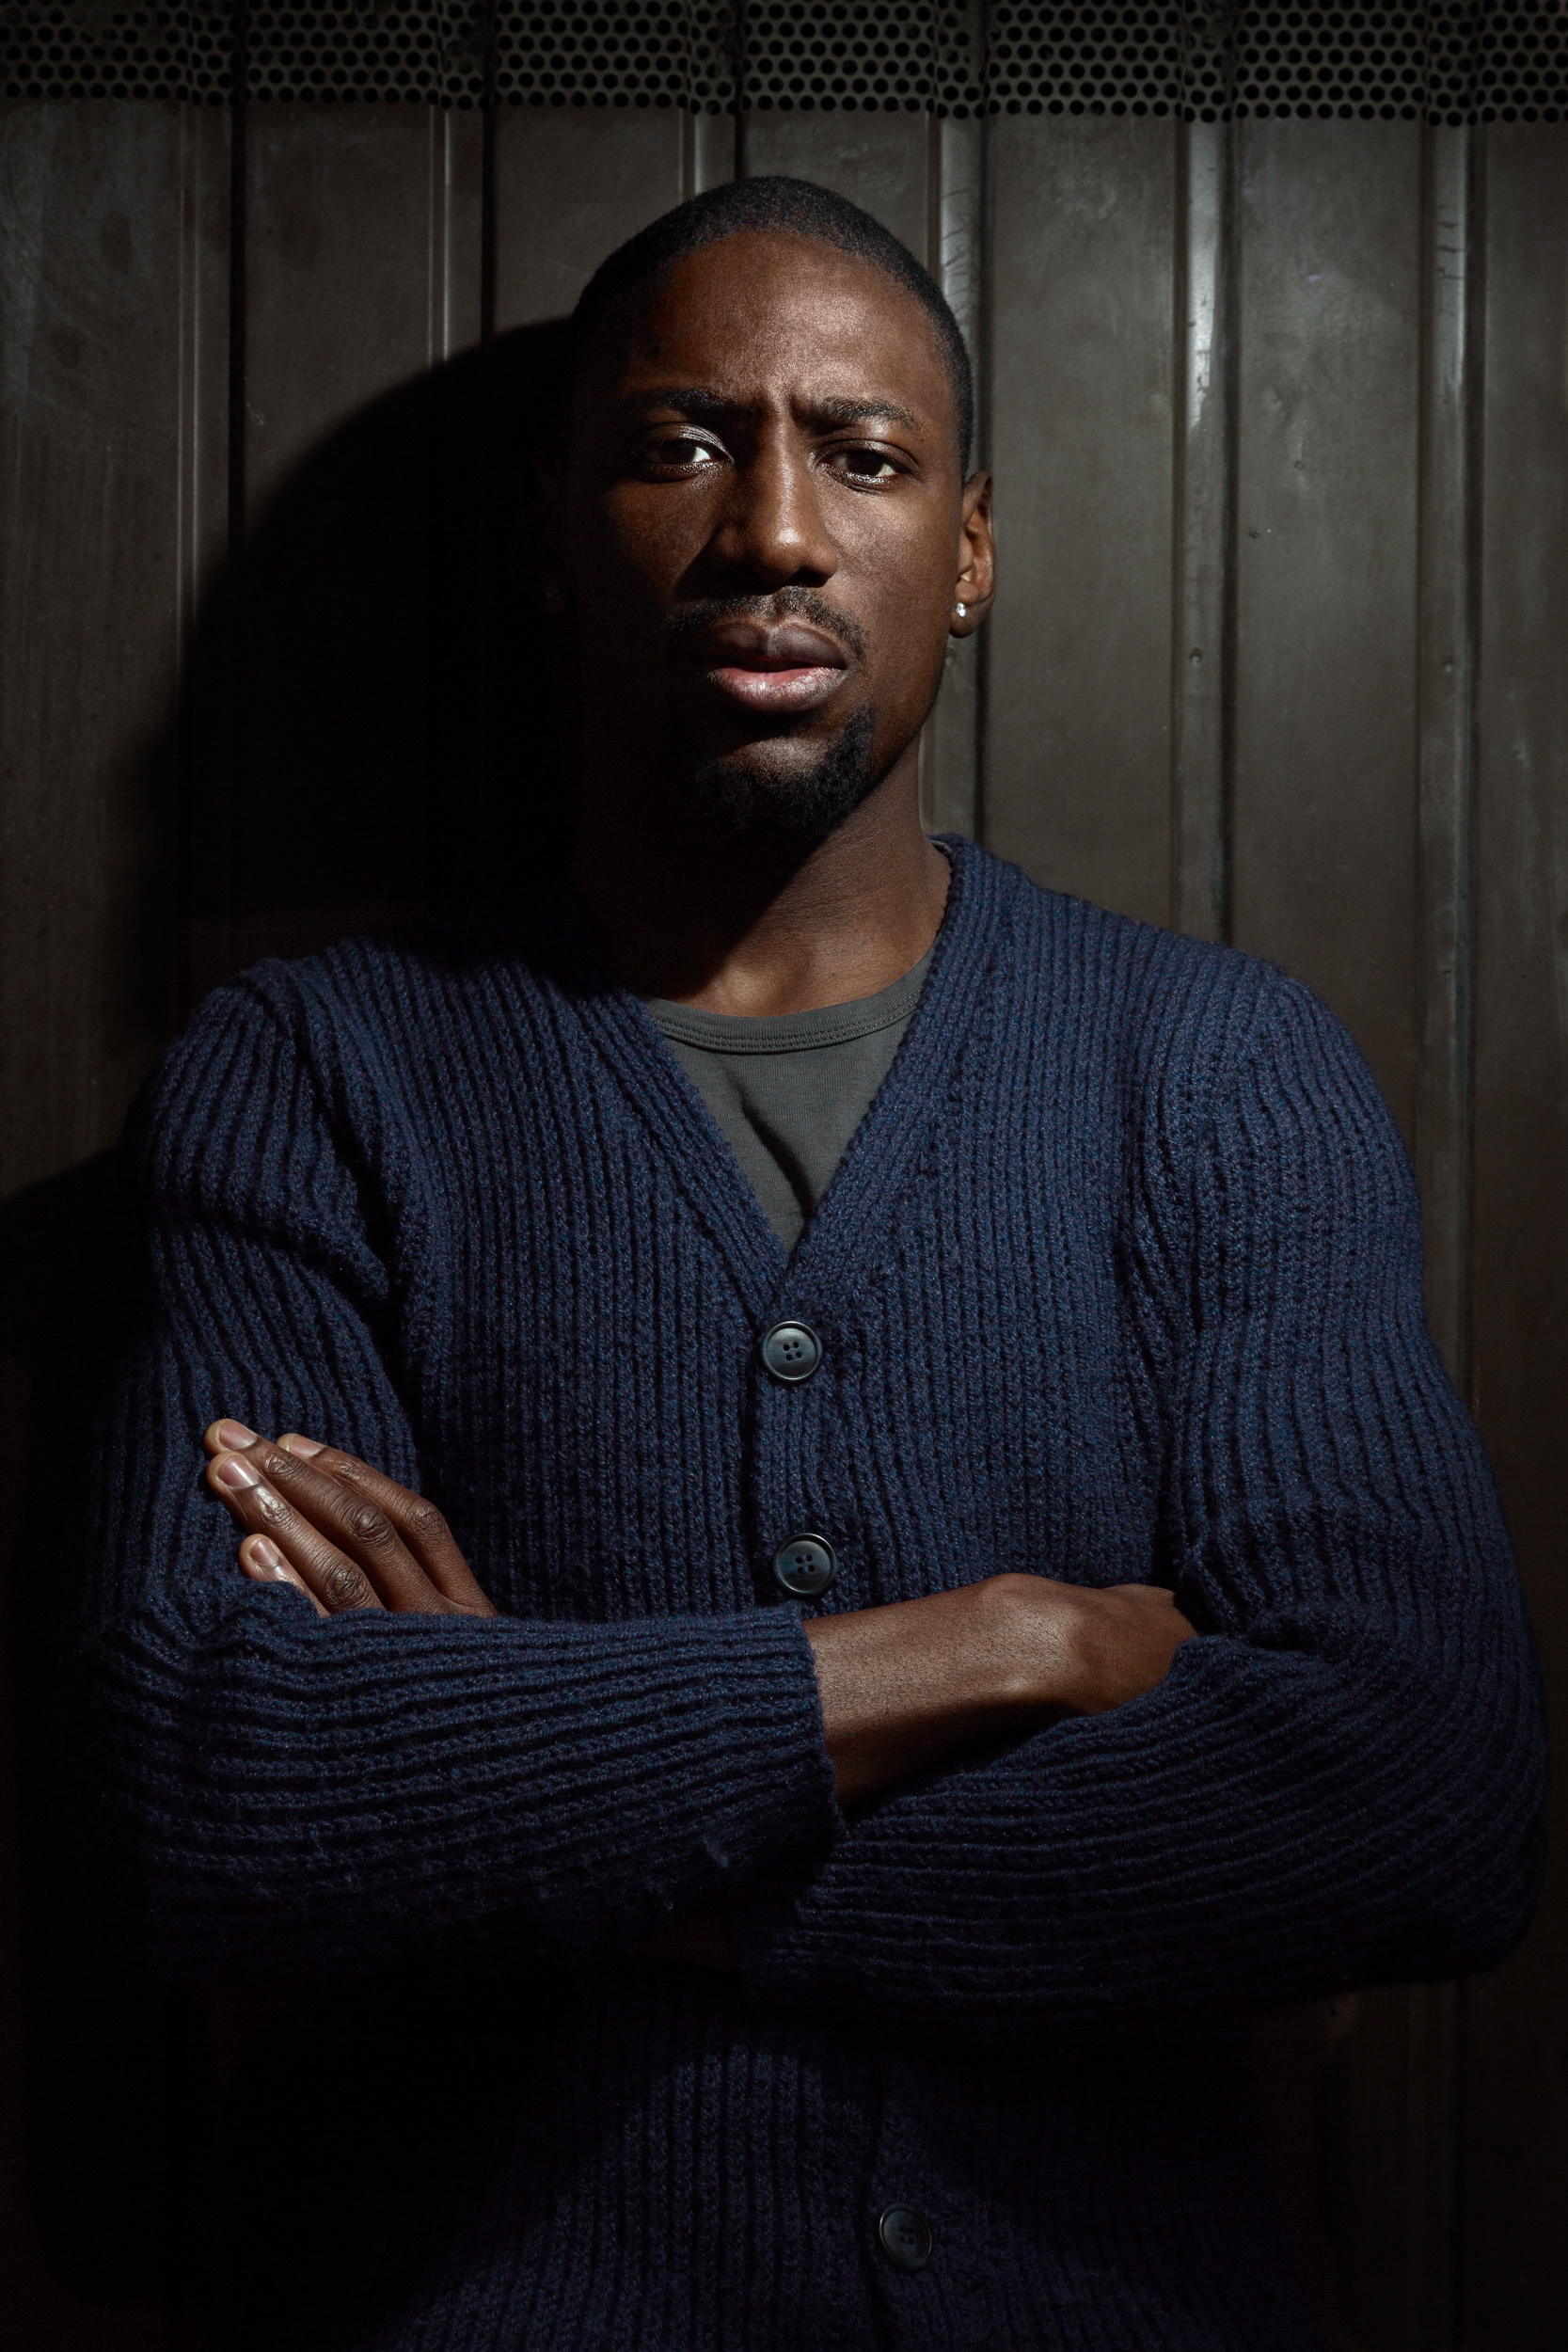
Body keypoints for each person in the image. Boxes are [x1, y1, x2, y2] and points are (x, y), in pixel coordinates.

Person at [71, 176, 1544, 2351]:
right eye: (684, 443)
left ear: (969, 551)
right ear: (551, 534)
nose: (773, 527)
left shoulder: (1213, 1069)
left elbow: (1422, 1794)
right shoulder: (319, 1074)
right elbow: (204, 1774)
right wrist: (992, 1645)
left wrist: (541, 1779)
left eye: (862, 455)